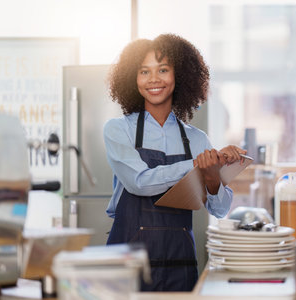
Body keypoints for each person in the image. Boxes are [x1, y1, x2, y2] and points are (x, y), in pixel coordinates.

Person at [103, 34, 246, 292]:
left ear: (179, 75)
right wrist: (196, 165)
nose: (154, 79)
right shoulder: (117, 130)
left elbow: (220, 209)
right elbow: (139, 183)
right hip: (127, 265)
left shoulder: (196, 138)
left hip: (179, 263)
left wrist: (213, 179)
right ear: (132, 79)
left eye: (163, 70)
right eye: (144, 71)